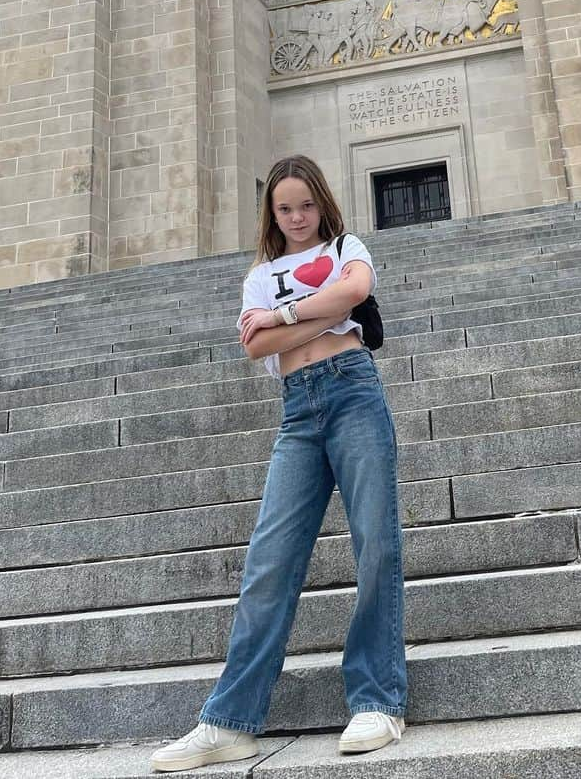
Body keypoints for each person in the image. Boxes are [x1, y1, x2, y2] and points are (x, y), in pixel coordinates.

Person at [149, 156, 407, 772]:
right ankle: (229, 721)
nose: (297, 217)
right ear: (271, 212)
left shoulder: (347, 246)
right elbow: (255, 345)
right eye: (285, 207)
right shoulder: (259, 275)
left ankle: (379, 700)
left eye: (307, 205)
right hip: (298, 412)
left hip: (352, 392)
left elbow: (356, 291)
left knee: (375, 543)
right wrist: (317, 315)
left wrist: (286, 314)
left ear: (324, 205)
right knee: (269, 560)